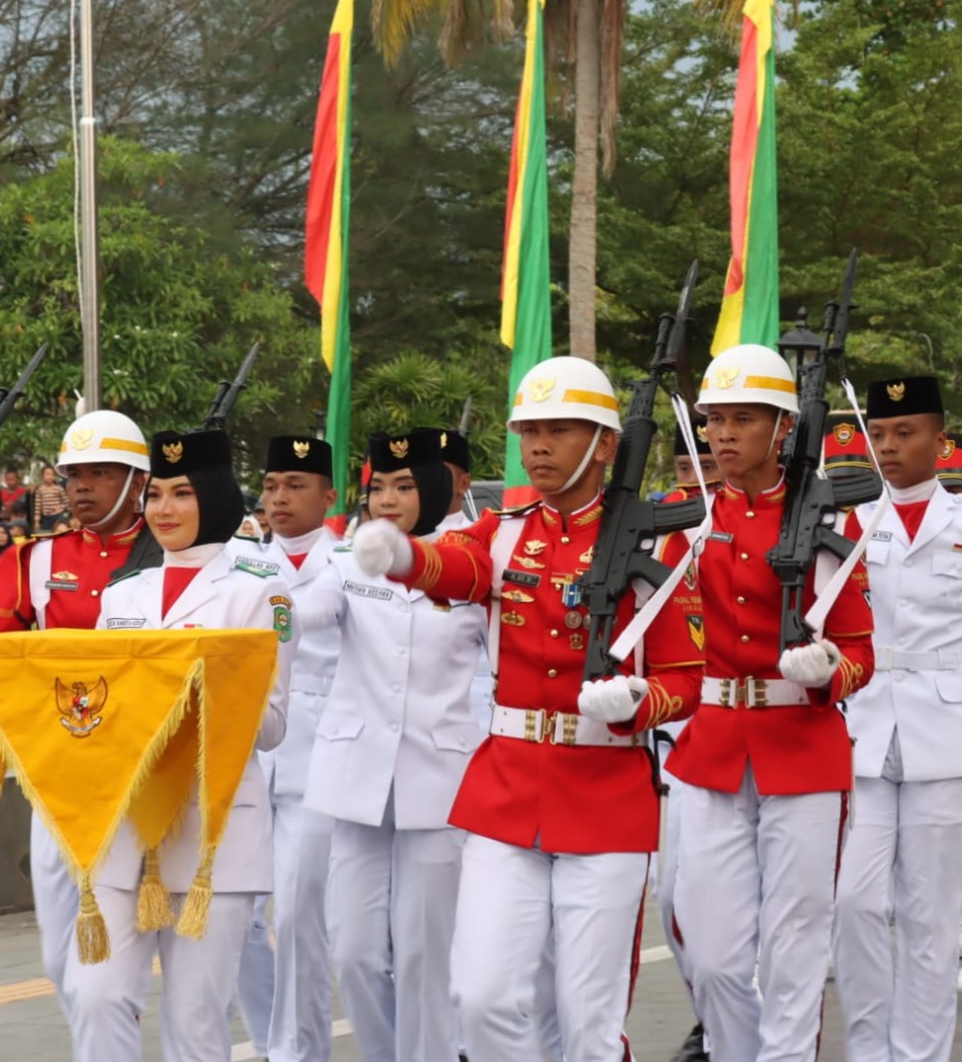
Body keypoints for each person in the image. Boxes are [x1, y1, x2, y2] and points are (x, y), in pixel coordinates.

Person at [354, 359, 704, 1061]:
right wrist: (402, 557)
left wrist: (638, 703)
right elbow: (455, 567)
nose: (539, 446)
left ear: (605, 444)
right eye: (529, 432)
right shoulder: (505, 530)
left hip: (605, 795)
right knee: (480, 998)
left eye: (560, 430)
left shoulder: (655, 541)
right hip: (508, 791)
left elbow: (685, 676)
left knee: (587, 1019)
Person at [667, 344, 875, 1062]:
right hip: (714, 744)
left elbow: (860, 653)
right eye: (715, 420)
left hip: (802, 746)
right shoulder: (686, 523)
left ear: (783, 427)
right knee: (713, 958)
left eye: (744, 419)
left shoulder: (823, 522)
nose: (724, 435)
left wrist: (826, 672)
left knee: (795, 948)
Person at [67, 427, 295, 1062]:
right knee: (95, 997)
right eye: (156, 494)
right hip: (128, 831)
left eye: (183, 494)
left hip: (211, 836)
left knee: (195, 1023)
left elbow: (273, 725)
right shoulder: (123, 594)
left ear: (215, 497)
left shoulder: (261, 589)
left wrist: (191, 696)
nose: (164, 509)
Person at [0, 409, 160, 1035]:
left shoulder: (169, 554)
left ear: (138, 481)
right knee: (59, 961)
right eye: (74, 474)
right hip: (58, 778)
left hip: (141, 779)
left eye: (100, 473)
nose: (82, 487)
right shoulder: (35, 561)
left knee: (102, 973)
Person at [301, 427, 486, 1062]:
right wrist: (263, 614)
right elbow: (303, 610)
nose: (386, 500)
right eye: (378, 487)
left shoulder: (471, 564)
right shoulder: (347, 560)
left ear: (434, 487)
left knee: (422, 955)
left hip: (439, 781)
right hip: (356, 780)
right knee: (353, 952)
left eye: (404, 487)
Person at [832, 377, 962, 1062]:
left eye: (905, 432)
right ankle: (869, 1049)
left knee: (929, 916)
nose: (888, 446)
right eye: (879, 434)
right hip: (866, 726)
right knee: (852, 902)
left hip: (945, 733)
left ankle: (921, 1055)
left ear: (940, 440)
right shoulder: (848, 524)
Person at [227, 435, 343, 1062]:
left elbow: (294, 618)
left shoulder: (349, 562)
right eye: (272, 486)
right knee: (237, 917)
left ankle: (300, 1052)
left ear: (329, 496)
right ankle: (273, 1041)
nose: (279, 497)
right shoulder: (241, 561)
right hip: (250, 756)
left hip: (317, 764)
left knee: (299, 920)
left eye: (296, 485)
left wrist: (261, 606)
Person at [656, 414, 721, 1062]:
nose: (693, 482)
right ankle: (709, 1017)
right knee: (673, 896)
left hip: (752, 728)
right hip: (679, 738)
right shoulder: (657, 534)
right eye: (683, 470)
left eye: (705, 469)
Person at [32, 464, 71, 531]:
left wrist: (61, 508)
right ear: (42, 476)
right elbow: (37, 507)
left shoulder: (58, 488)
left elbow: (67, 502)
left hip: (58, 515)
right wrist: (37, 521)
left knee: (59, 531)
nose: (49, 477)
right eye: (47, 474)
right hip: (46, 517)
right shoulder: (39, 490)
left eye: (52, 474)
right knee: (47, 533)